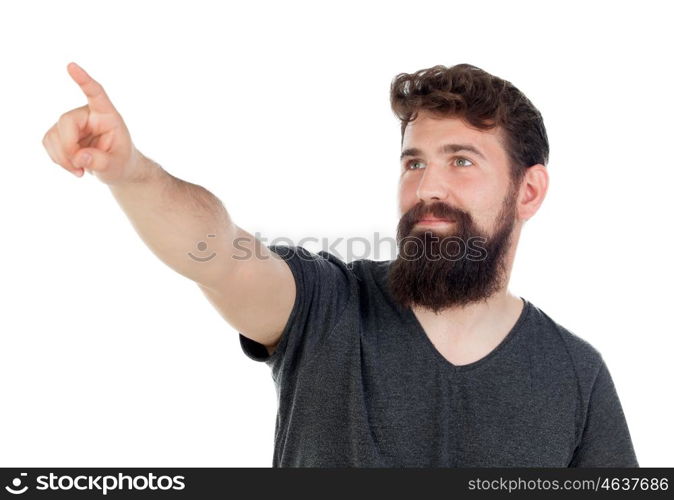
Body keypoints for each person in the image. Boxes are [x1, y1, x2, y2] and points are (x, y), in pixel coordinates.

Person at [42, 62, 638, 467]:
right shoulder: (327, 304)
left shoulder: (576, 376)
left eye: (460, 161)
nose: (427, 186)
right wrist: (131, 172)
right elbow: (219, 253)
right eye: (413, 163)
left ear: (528, 191)